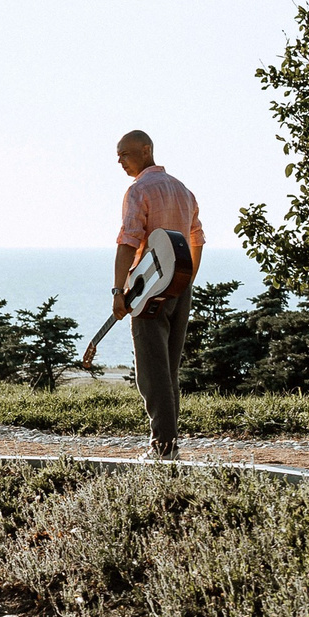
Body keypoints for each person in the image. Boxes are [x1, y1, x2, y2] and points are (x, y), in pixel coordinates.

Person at [110, 130, 203, 460]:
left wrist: (119, 291)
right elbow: (197, 240)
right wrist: (185, 279)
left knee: (151, 372)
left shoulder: (139, 190)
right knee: (168, 370)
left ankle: (163, 448)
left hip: (149, 292)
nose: (119, 160)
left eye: (125, 154)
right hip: (180, 287)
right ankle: (168, 444)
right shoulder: (183, 190)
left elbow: (128, 242)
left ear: (146, 150)